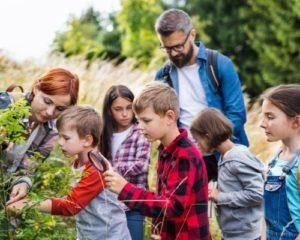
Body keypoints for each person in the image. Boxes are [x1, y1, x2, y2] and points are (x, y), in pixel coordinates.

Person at [104, 82, 210, 240]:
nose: (139, 127)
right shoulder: (166, 150)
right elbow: (163, 199)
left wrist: (125, 189)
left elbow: (173, 207)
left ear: (169, 117)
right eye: (138, 120)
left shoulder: (185, 154)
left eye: (146, 121)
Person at [7, 106, 132, 240]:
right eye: (59, 136)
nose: (60, 142)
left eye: (66, 138)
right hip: (89, 234)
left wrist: (28, 204)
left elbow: (71, 206)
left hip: (111, 236)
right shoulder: (78, 163)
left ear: (87, 140)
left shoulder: (97, 169)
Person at [154, 9, 248, 181]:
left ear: (192, 35)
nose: (173, 53)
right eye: (167, 49)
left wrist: (208, 143)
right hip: (185, 158)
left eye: (178, 46)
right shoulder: (162, 75)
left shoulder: (220, 65)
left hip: (224, 155)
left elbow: (237, 115)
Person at [1, 68, 79, 205]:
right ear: (36, 88)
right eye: (47, 101)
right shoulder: (4, 105)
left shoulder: (51, 129)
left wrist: (23, 183)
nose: (50, 112)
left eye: (60, 109)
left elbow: (28, 168)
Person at [190, 108, 264, 240]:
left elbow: (257, 193)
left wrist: (220, 196)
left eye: (197, 139)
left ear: (207, 135)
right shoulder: (224, 157)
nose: (196, 144)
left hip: (247, 236)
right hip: (232, 234)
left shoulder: (237, 158)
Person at [99, 85, 150, 240]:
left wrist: (111, 170)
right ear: (109, 110)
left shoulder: (140, 132)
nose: (125, 114)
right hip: (109, 204)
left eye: (129, 108)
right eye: (118, 109)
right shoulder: (104, 134)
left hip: (132, 203)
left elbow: (142, 165)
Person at [260, 84, 300, 240]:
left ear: (296, 122)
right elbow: (265, 217)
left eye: (270, 117)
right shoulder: (273, 162)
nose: (262, 124)